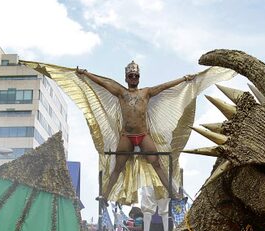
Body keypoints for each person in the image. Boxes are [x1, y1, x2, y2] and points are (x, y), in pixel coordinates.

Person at [77, 62, 192, 202]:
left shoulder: (146, 92)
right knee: (117, 167)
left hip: (143, 135)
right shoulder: (121, 92)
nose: (133, 78)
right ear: (126, 78)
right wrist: (86, 74)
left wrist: (184, 79)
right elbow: (103, 84)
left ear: (139, 78)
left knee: (157, 165)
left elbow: (164, 86)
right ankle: (105, 197)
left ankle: (173, 194)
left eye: (136, 76)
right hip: (127, 136)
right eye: (131, 76)